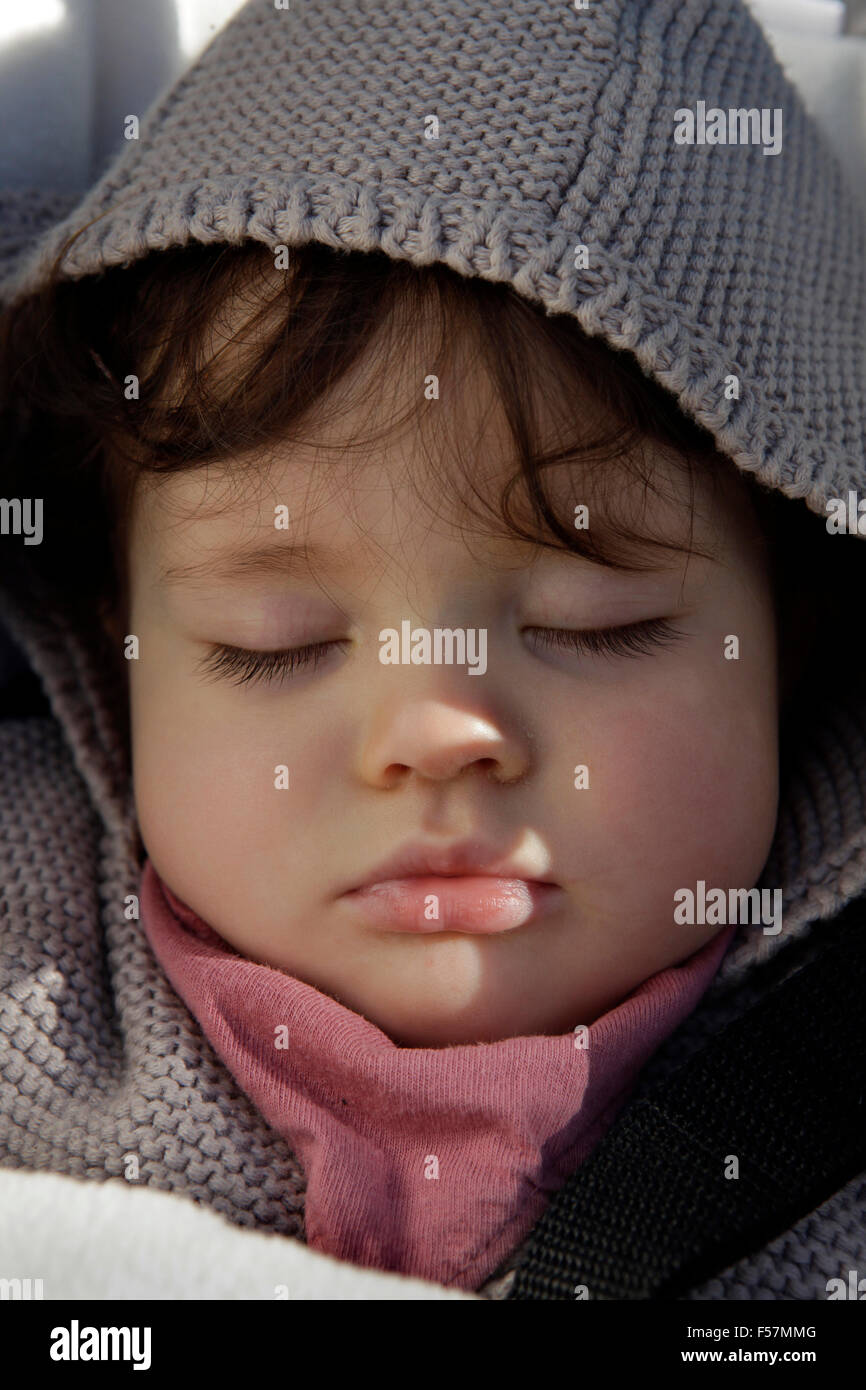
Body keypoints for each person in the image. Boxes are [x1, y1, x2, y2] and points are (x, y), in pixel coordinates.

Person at [0, 0, 864, 1300]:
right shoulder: (31, 945)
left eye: (595, 624)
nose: (436, 731)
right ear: (114, 639)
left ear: (788, 633)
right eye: (272, 643)